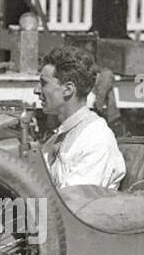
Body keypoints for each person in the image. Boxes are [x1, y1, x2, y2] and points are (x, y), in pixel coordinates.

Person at [36, 46, 126, 191]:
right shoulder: (61, 134)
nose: (36, 90)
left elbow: (74, 202)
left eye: (43, 83)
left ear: (68, 89)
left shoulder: (95, 138)